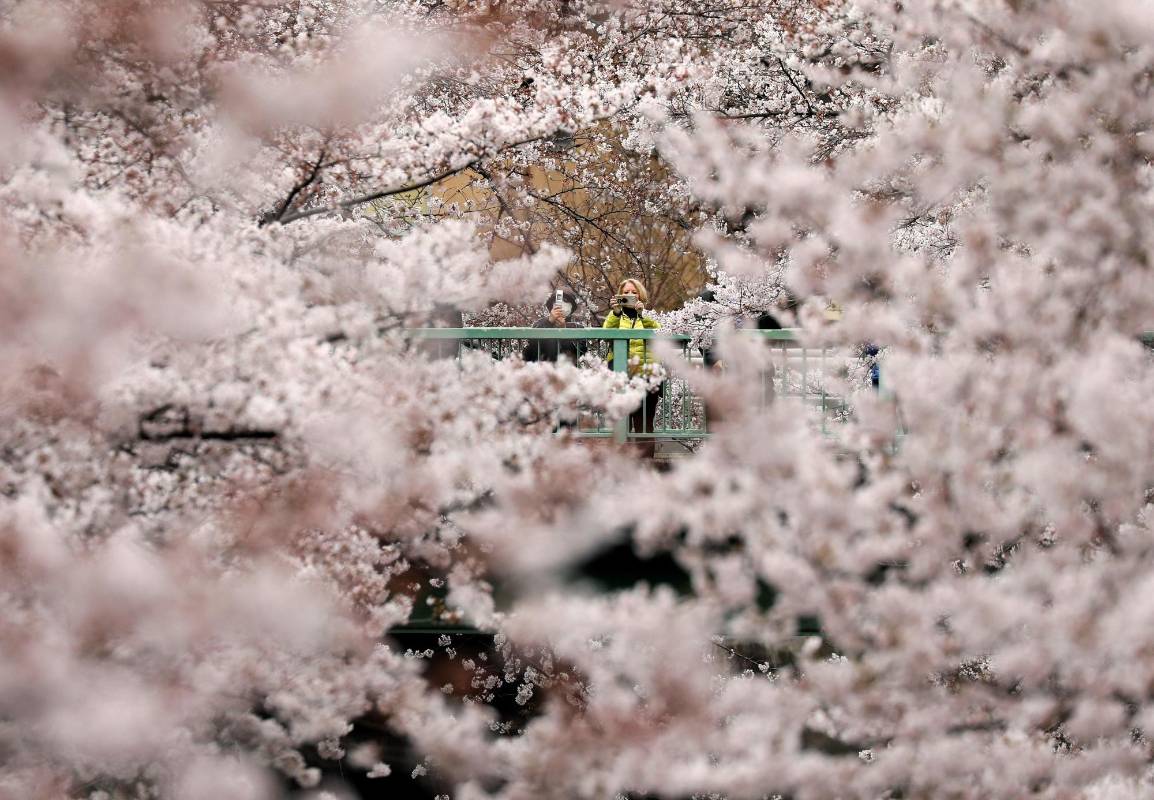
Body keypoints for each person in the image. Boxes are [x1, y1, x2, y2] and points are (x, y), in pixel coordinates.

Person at [603, 278, 663, 459]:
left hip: (647, 373)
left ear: (640, 294)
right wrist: (615, 313)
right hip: (622, 374)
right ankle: (623, 468)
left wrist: (642, 314)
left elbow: (660, 331)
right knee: (622, 423)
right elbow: (605, 334)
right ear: (620, 295)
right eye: (626, 292)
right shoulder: (615, 315)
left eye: (633, 292)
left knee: (644, 424)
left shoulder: (647, 314)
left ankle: (645, 468)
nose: (630, 295)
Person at [522, 288, 586, 363]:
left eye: (565, 300)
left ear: (572, 307)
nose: (561, 304)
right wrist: (548, 323)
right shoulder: (539, 324)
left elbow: (578, 354)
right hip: (542, 371)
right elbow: (532, 346)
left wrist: (564, 332)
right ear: (551, 305)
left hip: (566, 372)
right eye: (556, 301)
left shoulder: (578, 329)